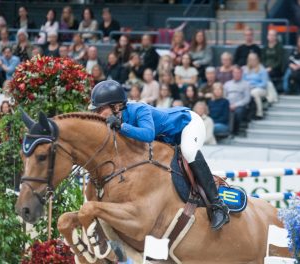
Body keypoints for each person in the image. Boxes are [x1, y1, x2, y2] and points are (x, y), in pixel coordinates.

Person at [89, 80, 229, 230]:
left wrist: (121, 126)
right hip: (168, 139)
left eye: (100, 109)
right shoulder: (117, 118)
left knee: (189, 151)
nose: (96, 113)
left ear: (116, 106)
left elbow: (148, 134)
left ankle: (218, 206)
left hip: (188, 124)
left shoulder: (139, 109)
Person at [224, 66, 251, 135]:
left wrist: (235, 105)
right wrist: (228, 104)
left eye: (238, 73)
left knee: (238, 112)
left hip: (240, 106)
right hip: (228, 105)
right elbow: (224, 96)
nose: (237, 74)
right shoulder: (227, 84)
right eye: (235, 73)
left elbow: (247, 99)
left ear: (242, 74)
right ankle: (225, 130)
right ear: (232, 73)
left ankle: (235, 131)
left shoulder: (246, 84)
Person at [243, 53, 268, 120]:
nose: (252, 61)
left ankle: (259, 113)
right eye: (250, 60)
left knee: (254, 92)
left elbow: (264, 83)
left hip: (261, 89)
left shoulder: (262, 70)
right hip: (248, 88)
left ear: (257, 60)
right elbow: (243, 81)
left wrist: (254, 86)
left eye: (254, 59)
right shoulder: (245, 69)